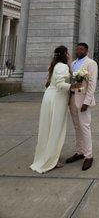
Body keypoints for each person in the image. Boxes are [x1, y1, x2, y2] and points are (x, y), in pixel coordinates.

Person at [30, 45, 79, 174]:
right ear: (65, 54)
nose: (69, 54)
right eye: (68, 52)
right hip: (57, 99)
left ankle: (46, 155)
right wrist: (74, 87)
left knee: (47, 128)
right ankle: (50, 160)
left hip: (50, 97)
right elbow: (60, 84)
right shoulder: (62, 67)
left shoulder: (54, 65)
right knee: (55, 129)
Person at [66, 42, 98, 171]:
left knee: (85, 127)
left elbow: (92, 83)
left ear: (86, 50)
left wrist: (87, 101)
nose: (78, 51)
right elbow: (72, 81)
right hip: (73, 98)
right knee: (76, 126)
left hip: (83, 99)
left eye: (81, 49)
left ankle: (88, 156)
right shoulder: (73, 64)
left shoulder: (91, 63)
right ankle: (79, 152)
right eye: (77, 49)